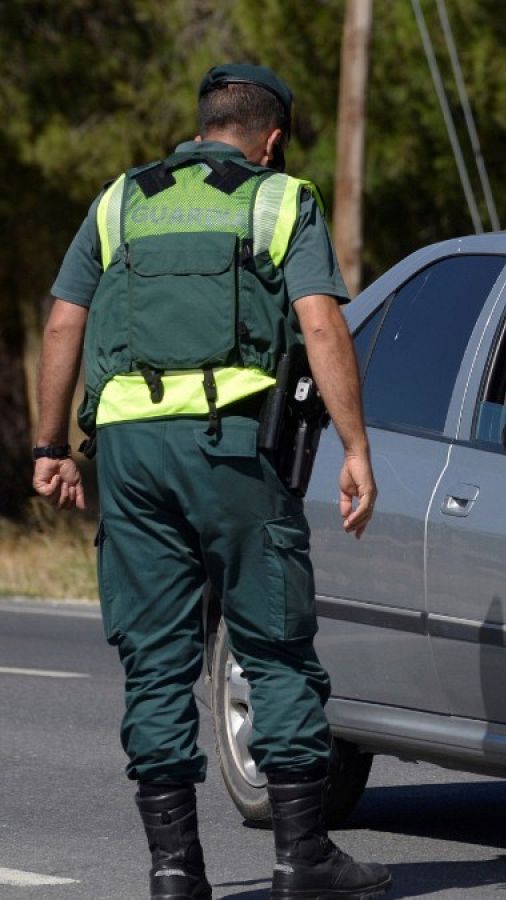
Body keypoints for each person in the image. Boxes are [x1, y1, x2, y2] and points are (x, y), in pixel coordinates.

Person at [30, 64, 390, 900]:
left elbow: (62, 322)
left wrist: (51, 445)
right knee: (272, 643)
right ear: (271, 138)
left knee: (156, 659)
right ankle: (302, 858)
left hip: (128, 453)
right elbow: (321, 323)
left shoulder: (120, 200)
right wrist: (356, 447)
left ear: (200, 127)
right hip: (231, 451)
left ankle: (173, 872)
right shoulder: (277, 199)